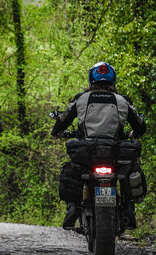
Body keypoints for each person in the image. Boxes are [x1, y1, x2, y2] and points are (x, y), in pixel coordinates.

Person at [51, 62, 147, 230]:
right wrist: (132, 134)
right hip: (115, 153)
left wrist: (56, 132)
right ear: (113, 80)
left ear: (91, 79)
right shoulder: (123, 101)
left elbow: (62, 122)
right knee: (129, 170)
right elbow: (140, 127)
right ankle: (129, 208)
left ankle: (72, 206)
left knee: (73, 169)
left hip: (87, 153)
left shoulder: (80, 99)